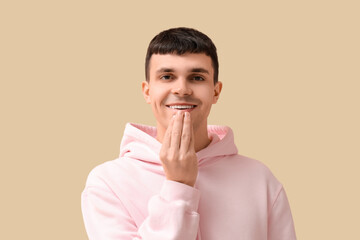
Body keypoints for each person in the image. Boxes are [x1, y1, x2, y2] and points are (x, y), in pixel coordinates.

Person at [81, 27, 297, 240]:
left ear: (216, 91)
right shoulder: (107, 182)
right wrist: (178, 186)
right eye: (167, 76)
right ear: (147, 92)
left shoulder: (260, 179)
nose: (182, 89)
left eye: (197, 77)